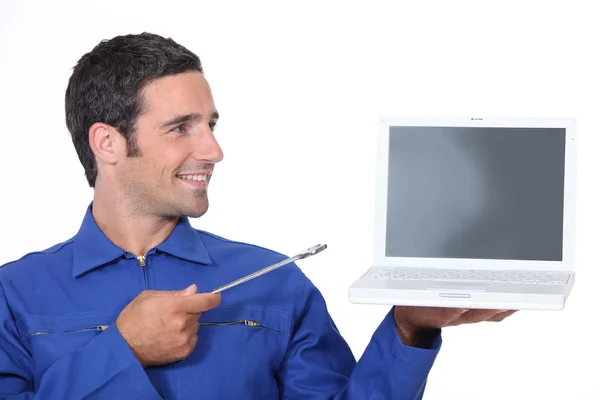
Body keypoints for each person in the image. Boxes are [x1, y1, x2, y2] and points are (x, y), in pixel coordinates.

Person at [0, 33, 515, 399]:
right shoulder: (13, 294)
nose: (214, 149)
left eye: (211, 124)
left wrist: (409, 329)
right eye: (181, 127)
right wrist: (123, 351)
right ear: (107, 142)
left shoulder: (277, 284)